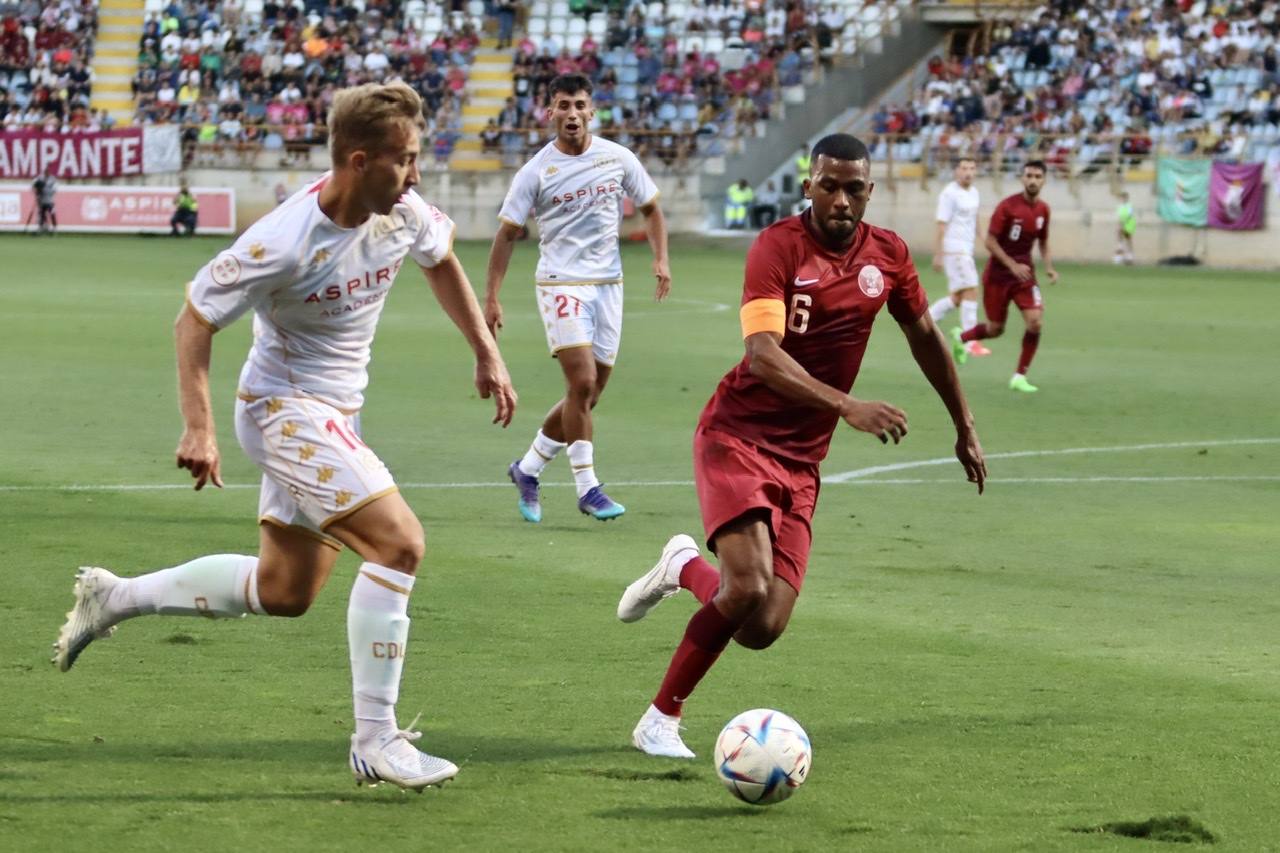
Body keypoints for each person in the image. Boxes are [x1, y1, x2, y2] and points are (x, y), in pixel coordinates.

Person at [51, 82, 518, 792]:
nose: (417, 174)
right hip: (282, 409)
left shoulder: (403, 212)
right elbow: (194, 319)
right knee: (400, 543)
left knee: (285, 589)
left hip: (333, 414)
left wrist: (485, 350)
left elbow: (442, 258)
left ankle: (113, 596)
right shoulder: (282, 239)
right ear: (359, 161)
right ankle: (376, 739)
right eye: (405, 160)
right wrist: (200, 426)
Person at [615, 134, 986, 758]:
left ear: (870, 192)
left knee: (761, 626)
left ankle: (683, 567)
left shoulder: (888, 256)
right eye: (830, 185)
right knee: (750, 585)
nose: (842, 199)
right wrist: (848, 406)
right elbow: (762, 356)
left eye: (855, 188)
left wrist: (964, 423)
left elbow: (925, 336)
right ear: (808, 186)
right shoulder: (778, 246)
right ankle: (660, 718)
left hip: (802, 459)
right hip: (737, 435)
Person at [485, 73, 671, 524]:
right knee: (583, 382)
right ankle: (588, 488)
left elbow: (651, 209)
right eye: (563, 105)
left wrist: (660, 259)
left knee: (586, 395)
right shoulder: (535, 172)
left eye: (580, 105)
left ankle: (527, 469)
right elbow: (506, 235)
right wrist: (491, 297)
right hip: (560, 282)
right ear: (550, 112)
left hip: (609, 285)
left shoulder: (618, 158)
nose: (572, 113)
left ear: (592, 111)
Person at [953, 160, 1059, 393]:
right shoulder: (1007, 207)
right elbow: (990, 241)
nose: (1033, 180)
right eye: (1029, 175)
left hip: (1024, 277)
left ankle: (1019, 376)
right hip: (998, 277)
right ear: (1022, 178)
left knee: (1035, 322)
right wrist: (1011, 265)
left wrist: (1049, 267)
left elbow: (1043, 241)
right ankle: (961, 338)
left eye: (1037, 176)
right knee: (995, 329)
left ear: (1044, 180)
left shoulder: (1043, 210)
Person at [927, 157, 989, 357]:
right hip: (955, 249)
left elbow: (975, 220)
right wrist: (938, 254)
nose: (968, 172)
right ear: (956, 171)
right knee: (972, 291)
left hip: (966, 249)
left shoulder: (974, 192)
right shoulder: (949, 194)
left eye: (972, 168)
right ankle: (970, 342)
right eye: (964, 168)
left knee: (958, 297)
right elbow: (941, 224)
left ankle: (925, 322)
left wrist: (984, 239)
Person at [1114, 191, 1136, 265]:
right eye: (1122, 198)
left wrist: (1123, 224)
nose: (1123, 199)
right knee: (1119, 239)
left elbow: (1130, 216)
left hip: (1128, 225)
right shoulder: (1120, 207)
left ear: (1127, 198)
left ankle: (1130, 257)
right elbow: (1119, 216)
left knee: (1128, 240)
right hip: (1122, 224)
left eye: (1125, 198)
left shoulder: (1129, 206)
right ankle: (1120, 257)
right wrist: (1119, 224)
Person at [32, 169, 57, 234]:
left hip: (50, 201)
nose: (46, 173)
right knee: (42, 215)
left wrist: (44, 190)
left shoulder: (53, 179)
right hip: (41, 201)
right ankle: (42, 228)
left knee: (52, 213)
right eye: (45, 172)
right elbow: (34, 186)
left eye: (48, 172)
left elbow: (54, 190)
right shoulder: (39, 178)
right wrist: (37, 193)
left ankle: (54, 228)